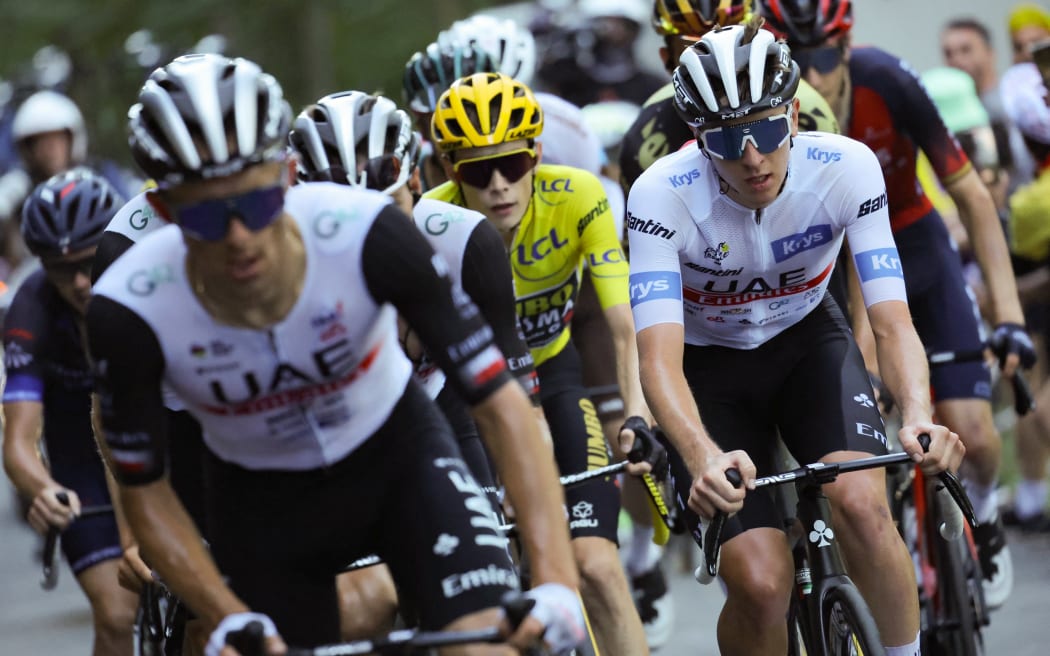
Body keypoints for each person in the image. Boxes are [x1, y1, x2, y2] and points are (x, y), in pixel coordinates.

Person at [86, 53, 585, 655]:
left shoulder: (366, 232)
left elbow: (502, 404)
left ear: (288, 176)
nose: (240, 236)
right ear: (163, 212)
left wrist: (556, 581)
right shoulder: (128, 303)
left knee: (481, 646)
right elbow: (145, 485)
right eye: (208, 215)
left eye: (258, 203)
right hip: (261, 505)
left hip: (401, 462)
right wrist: (223, 615)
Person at [628, 21, 966, 656]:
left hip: (808, 343)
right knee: (759, 584)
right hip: (709, 373)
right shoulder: (658, 196)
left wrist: (918, 412)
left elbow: (893, 322)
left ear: (793, 112)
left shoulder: (846, 167)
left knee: (865, 510)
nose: (752, 155)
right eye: (727, 138)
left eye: (766, 128)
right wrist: (701, 456)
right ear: (698, 139)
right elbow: (658, 362)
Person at [758, 0, 1033, 610]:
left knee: (978, 434)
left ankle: (982, 518)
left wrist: (1009, 314)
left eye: (824, 57)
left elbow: (971, 197)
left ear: (848, 48)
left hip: (914, 245)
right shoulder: (772, 118)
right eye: (797, 59)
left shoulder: (889, 81)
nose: (812, 71)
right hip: (832, 263)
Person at [288, 88, 544, 639]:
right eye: (343, 222)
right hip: (319, 445)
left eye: (387, 211)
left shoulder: (463, 242)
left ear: (417, 183)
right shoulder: (271, 275)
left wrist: (551, 571)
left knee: (487, 616)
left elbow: (511, 403)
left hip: (434, 420)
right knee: (361, 609)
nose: (372, 244)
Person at [425, 71, 653, 656]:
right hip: (470, 402)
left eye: (513, 165)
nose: (499, 184)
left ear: (537, 156)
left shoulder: (578, 195)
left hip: (555, 376)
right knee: (495, 587)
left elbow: (623, 322)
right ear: (451, 171)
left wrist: (636, 413)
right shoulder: (431, 221)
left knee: (597, 566)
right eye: (477, 170)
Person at [2, 168, 138, 655]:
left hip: (153, 458)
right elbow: (18, 440)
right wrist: (43, 488)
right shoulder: (31, 306)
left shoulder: (145, 278)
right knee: (119, 615)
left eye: (88, 262)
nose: (80, 282)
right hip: (82, 476)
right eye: (62, 270)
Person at [999, 61, 1050, 532]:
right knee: (1031, 392)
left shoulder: (1035, 202)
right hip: (1038, 309)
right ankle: (1032, 497)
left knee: (1038, 400)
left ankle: (1033, 497)